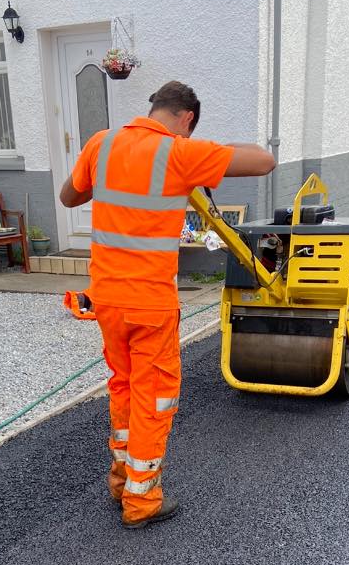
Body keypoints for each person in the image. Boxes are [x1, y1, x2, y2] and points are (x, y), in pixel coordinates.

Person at [59, 80, 275, 529]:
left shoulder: (103, 143)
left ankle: (121, 481)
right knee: (155, 399)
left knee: (122, 385)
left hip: (107, 299)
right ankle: (142, 502)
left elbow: (69, 196)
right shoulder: (181, 152)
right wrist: (204, 150)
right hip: (150, 303)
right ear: (187, 119)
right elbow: (264, 160)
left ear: (154, 107)